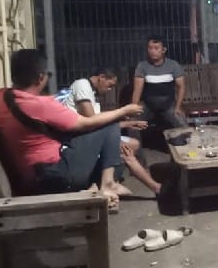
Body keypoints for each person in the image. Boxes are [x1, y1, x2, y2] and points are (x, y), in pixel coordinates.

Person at [0, 49, 143, 210]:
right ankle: (107, 184)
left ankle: (100, 187)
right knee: (109, 124)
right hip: (54, 175)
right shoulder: (42, 105)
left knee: (112, 158)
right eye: (48, 74)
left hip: (29, 175)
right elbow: (88, 122)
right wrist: (123, 111)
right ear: (40, 78)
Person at [61, 68, 165, 197]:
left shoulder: (93, 94)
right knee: (126, 149)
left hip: (90, 134)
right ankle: (109, 182)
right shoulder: (82, 84)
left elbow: (100, 124)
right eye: (109, 85)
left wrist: (128, 124)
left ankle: (154, 187)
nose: (109, 90)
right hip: (76, 138)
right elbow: (91, 119)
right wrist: (123, 112)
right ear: (101, 77)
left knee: (133, 145)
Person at [131, 36, 188, 129]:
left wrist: (178, 107)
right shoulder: (142, 66)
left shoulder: (173, 65)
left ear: (163, 50)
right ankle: (134, 139)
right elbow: (137, 90)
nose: (152, 51)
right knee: (132, 124)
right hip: (148, 106)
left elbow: (181, 87)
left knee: (182, 124)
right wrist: (134, 108)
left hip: (168, 105)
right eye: (150, 48)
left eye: (156, 48)